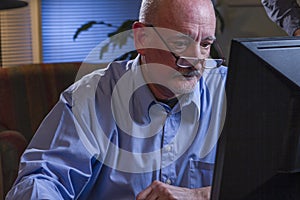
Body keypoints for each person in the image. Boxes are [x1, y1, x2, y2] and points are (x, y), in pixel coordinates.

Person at [6, 0, 227, 199]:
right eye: (180, 44)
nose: (196, 61)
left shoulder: (232, 93)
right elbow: (41, 181)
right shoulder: (90, 98)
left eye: (205, 45)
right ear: (142, 38)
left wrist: (200, 196)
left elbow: (260, 179)